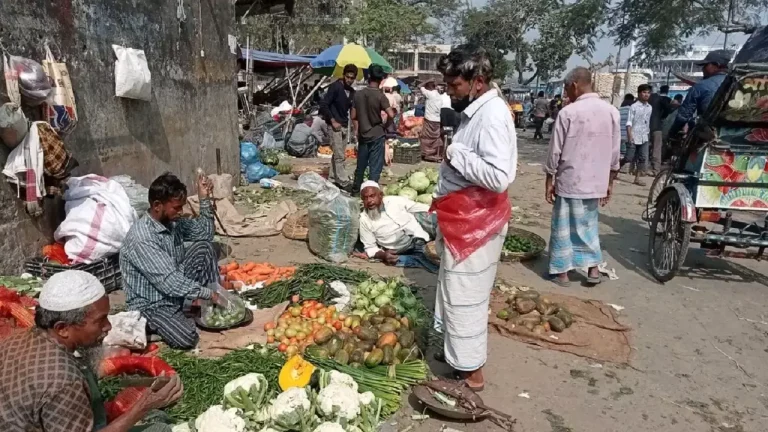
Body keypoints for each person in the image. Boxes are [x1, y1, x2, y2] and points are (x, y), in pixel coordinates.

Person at [432, 45, 517, 391]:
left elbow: (499, 176)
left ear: (478, 81)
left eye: (454, 84)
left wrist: (455, 152)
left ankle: (471, 374)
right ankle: (457, 356)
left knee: (465, 295)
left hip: (476, 223)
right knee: (454, 290)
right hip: (464, 220)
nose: (448, 90)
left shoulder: (494, 114)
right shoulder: (476, 110)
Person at [0, 270, 183, 432]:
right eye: (100, 320)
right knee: (160, 429)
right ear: (63, 328)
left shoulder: (15, 340)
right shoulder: (64, 380)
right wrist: (143, 407)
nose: (108, 326)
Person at [120, 172, 230, 350]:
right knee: (186, 337)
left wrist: (204, 199)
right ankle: (152, 326)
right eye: (176, 208)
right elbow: (169, 283)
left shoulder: (172, 222)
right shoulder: (143, 238)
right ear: (157, 205)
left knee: (205, 247)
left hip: (173, 288)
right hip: (152, 302)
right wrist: (208, 294)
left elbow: (205, 233)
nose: (181, 212)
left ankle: (195, 308)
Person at [544, 67, 620, 287]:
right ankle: (593, 269)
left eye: (567, 88)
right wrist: (610, 182)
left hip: (571, 179)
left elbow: (555, 151)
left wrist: (549, 180)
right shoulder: (611, 112)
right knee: (589, 225)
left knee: (563, 226)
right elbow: (615, 153)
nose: (567, 93)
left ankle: (562, 273)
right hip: (596, 180)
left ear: (574, 85)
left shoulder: (568, 113)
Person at [358, 181, 434, 265]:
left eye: (372, 196)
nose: (369, 201)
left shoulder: (395, 200)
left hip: (422, 238)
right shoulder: (364, 220)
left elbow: (420, 208)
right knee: (433, 263)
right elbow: (370, 248)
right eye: (365, 198)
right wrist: (383, 255)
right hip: (402, 250)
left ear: (381, 195)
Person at [351, 64, 397, 193]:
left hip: (363, 135)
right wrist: (386, 124)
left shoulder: (358, 94)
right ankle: (371, 192)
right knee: (375, 167)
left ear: (368, 77)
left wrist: (356, 130)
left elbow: (353, 116)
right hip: (377, 134)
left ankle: (355, 190)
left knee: (361, 165)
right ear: (381, 79)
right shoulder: (381, 96)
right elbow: (391, 114)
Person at [669, 50, 730, 137]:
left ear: (716, 65)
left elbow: (683, 116)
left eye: (705, 65)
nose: (702, 69)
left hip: (708, 135)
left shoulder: (701, 86)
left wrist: (671, 134)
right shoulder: (739, 83)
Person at [320, 64, 358, 189]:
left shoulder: (352, 92)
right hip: (334, 125)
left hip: (344, 124)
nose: (349, 80)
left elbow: (351, 110)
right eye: (348, 77)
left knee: (338, 154)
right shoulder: (335, 87)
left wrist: (354, 127)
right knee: (340, 156)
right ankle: (343, 181)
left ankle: (332, 178)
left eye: (352, 78)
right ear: (343, 75)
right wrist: (332, 120)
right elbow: (324, 105)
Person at [625, 84, 653, 186]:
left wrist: (648, 135)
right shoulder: (634, 107)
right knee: (629, 157)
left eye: (648, 92)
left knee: (642, 158)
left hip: (644, 136)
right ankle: (615, 170)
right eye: (644, 92)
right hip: (634, 135)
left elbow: (648, 122)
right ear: (639, 93)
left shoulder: (649, 107)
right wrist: (629, 136)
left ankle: (637, 178)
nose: (646, 95)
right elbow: (629, 122)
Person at [419, 80, 445, 162]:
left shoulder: (430, 94)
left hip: (429, 119)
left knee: (426, 137)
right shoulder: (439, 96)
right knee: (435, 138)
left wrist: (427, 81)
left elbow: (420, 86)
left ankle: (426, 153)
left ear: (429, 87)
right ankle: (434, 154)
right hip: (437, 120)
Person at [649, 84, 672, 174]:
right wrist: (662, 117)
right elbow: (668, 109)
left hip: (645, 126)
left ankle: (640, 168)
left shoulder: (644, 100)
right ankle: (655, 169)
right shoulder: (661, 99)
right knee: (657, 148)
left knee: (644, 147)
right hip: (657, 126)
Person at [618, 93, 635, 167]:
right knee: (627, 154)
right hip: (628, 135)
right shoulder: (632, 110)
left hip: (619, 135)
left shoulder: (619, 110)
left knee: (619, 153)